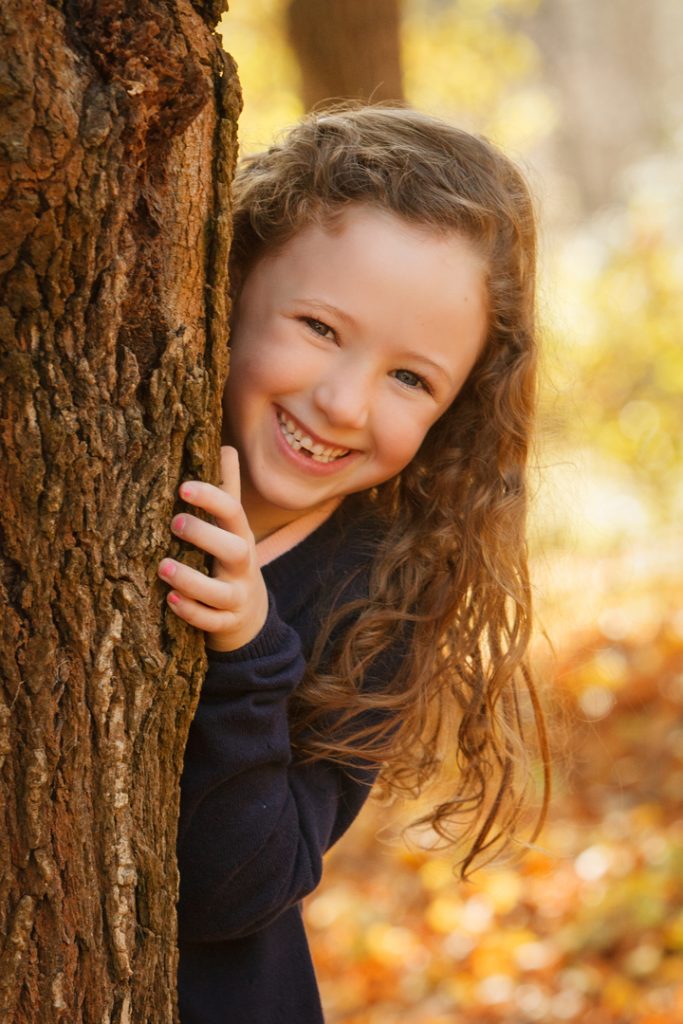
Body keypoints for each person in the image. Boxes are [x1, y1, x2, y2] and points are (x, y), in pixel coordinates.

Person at [157, 104, 549, 1023]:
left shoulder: (382, 591)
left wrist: (246, 651)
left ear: (452, 409)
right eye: (320, 328)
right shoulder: (74, 462)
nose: (341, 403)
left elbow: (237, 889)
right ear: (228, 276)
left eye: (409, 378)